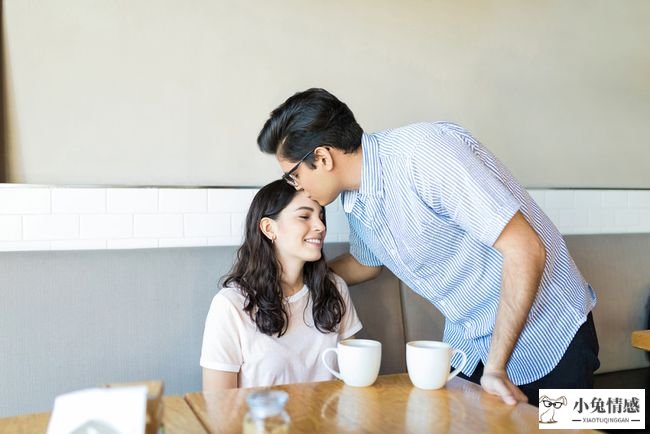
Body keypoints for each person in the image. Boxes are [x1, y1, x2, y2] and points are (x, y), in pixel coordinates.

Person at [256, 88, 599, 405]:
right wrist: (293, 274)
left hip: (550, 337)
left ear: (322, 157)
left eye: (293, 174)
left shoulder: (425, 154)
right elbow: (366, 265)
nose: (295, 185)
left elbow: (525, 248)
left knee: (582, 423)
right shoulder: (355, 205)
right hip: (471, 346)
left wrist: (496, 366)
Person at [200, 179, 362, 391]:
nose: (321, 227)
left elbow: (355, 378)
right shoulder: (231, 305)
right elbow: (218, 405)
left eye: (321, 216)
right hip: (264, 424)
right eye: (304, 216)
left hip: (327, 423)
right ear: (269, 228)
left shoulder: (334, 288)